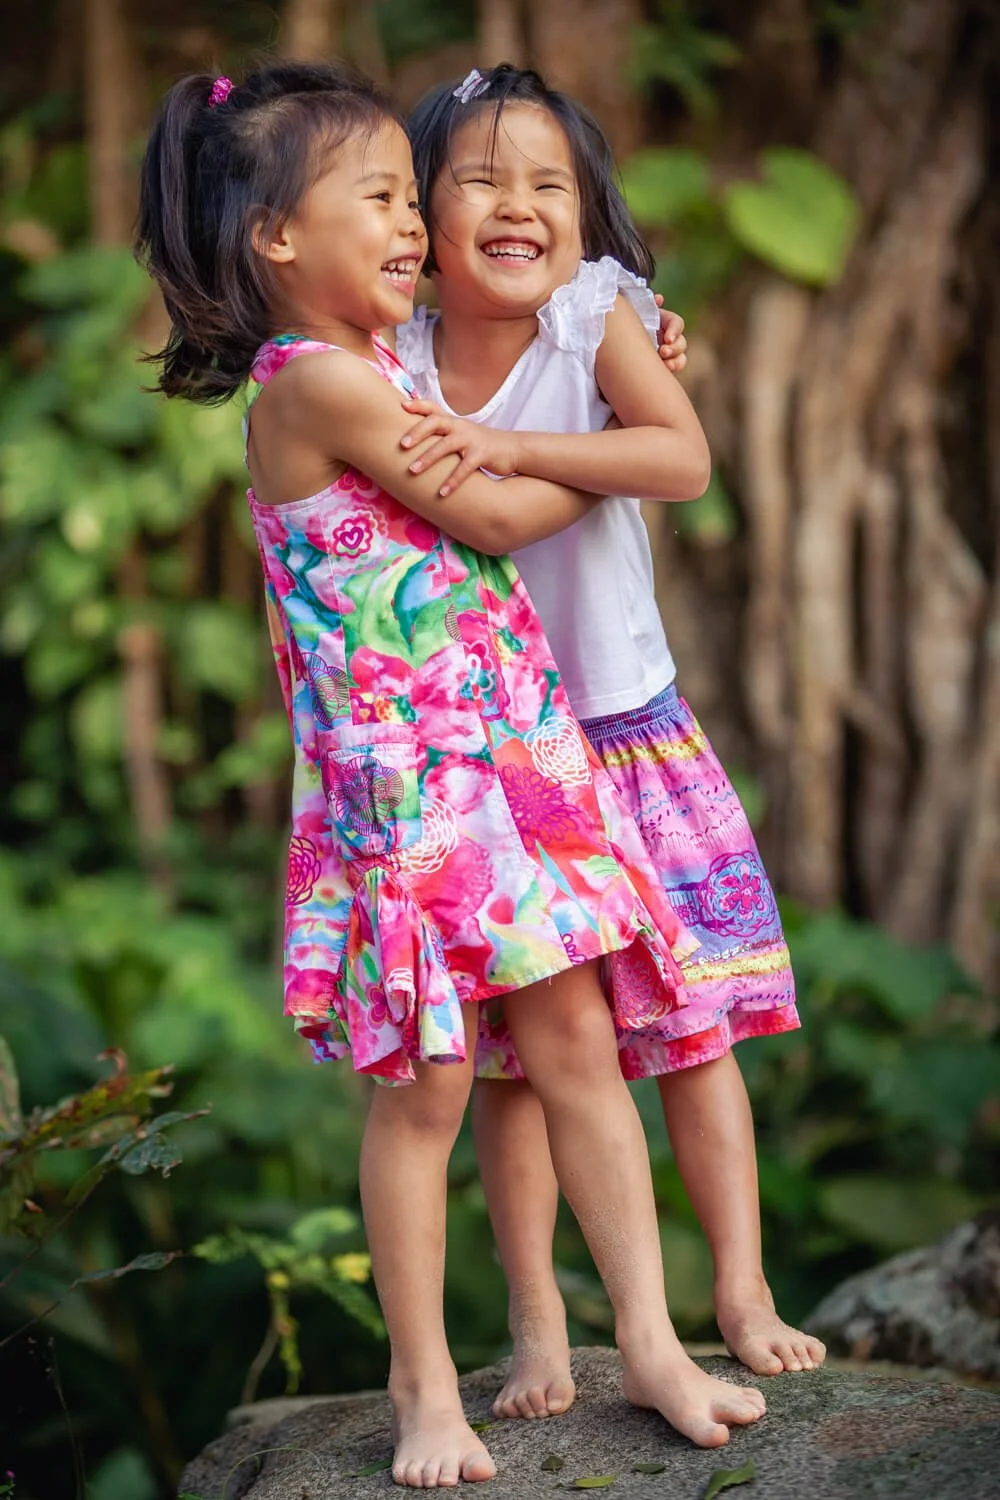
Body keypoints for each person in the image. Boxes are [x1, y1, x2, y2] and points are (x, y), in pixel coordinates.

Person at [136, 60, 767, 1489]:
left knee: (577, 1050)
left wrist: (641, 358)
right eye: (383, 198)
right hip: (408, 797)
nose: (415, 224)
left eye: (410, 200)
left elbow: (521, 376)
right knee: (428, 1086)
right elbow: (489, 509)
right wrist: (622, 439)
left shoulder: (395, 359)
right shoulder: (318, 388)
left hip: (514, 763)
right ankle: (425, 1384)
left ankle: (654, 1342)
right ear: (276, 240)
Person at [395, 63, 826, 1424]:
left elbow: (679, 458)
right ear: (417, 211)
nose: (517, 205)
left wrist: (501, 444)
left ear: (588, 219)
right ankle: (539, 1329)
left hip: (626, 734)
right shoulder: (385, 355)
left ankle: (740, 1293)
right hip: (494, 771)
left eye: (550, 187)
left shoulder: (595, 321)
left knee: (695, 1033)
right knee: (522, 1072)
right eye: (481, 179)